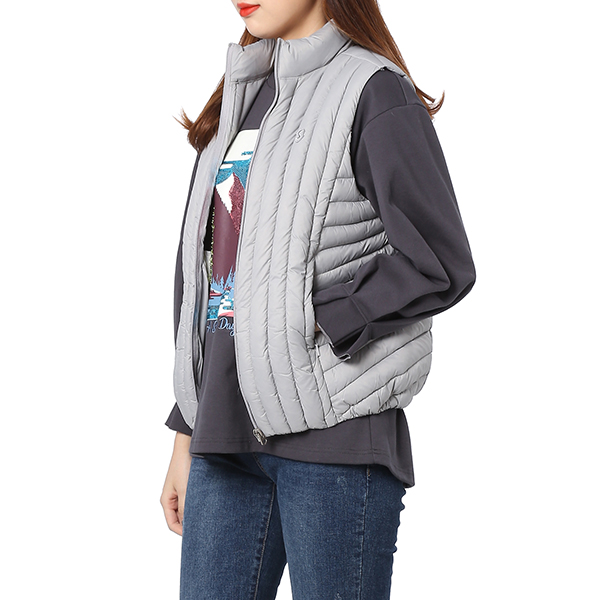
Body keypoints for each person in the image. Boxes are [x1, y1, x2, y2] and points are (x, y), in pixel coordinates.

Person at [160, 1, 476, 598]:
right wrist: (185, 429)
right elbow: (205, 275)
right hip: (223, 439)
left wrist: (326, 319)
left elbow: (440, 259)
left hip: (335, 439)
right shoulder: (241, 92)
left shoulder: (373, 91)